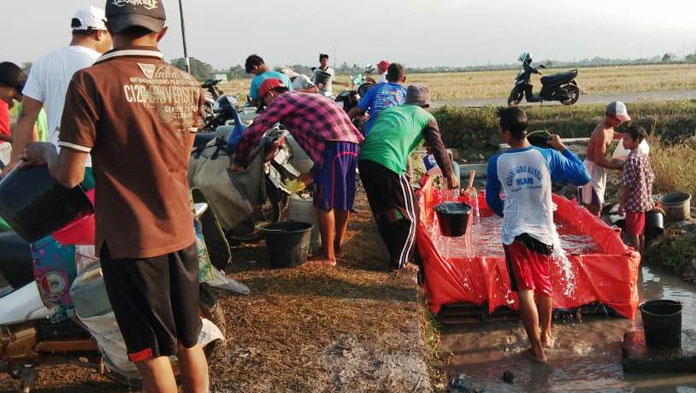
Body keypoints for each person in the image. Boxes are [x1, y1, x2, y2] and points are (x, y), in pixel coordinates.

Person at [20, 1, 209, 392]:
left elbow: (70, 177)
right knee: (189, 339)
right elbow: (179, 159)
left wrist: (46, 153)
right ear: (162, 31)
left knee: (148, 350)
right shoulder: (187, 84)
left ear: (110, 26)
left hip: (130, 239)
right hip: (180, 229)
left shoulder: (92, 81)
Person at [486, 107, 590, 362]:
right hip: (544, 231)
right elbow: (583, 176)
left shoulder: (497, 161)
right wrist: (563, 147)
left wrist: (509, 213)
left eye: (502, 129)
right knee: (544, 285)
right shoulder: (547, 155)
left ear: (508, 133)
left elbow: (491, 201)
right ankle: (547, 333)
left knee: (525, 290)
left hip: (515, 234)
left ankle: (537, 349)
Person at [231, 78, 364, 266]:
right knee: (342, 201)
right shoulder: (305, 97)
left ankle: (328, 256)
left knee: (323, 202)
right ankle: (337, 248)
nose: (267, 107)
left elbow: (257, 128)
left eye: (265, 102)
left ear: (270, 94)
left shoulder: (283, 100)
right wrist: (311, 173)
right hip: (350, 143)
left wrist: (239, 160)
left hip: (333, 144)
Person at [359, 85, 458, 270]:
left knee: (386, 212)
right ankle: (401, 263)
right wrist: (450, 174)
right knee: (411, 217)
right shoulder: (427, 118)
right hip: (388, 164)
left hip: (365, 161)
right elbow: (438, 149)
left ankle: (394, 256)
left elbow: (390, 135)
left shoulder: (390, 111)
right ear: (425, 105)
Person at [7, 6, 111, 173]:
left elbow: (26, 116)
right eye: (110, 35)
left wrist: (13, 161)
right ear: (99, 33)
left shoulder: (44, 62)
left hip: (57, 164)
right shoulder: (104, 64)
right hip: (97, 166)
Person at [581, 101, 631, 216]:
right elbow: (599, 160)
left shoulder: (609, 127)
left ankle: (593, 228)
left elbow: (612, 134)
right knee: (594, 205)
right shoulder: (601, 132)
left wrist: (624, 136)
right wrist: (619, 166)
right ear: (609, 116)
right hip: (592, 169)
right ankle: (592, 230)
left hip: (598, 169)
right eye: (618, 120)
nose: (620, 122)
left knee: (597, 202)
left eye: (621, 120)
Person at [0, 62, 48, 167]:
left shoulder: (26, 108)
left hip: (37, 165)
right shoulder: (33, 104)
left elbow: (34, 144)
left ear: (8, 87)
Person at [619, 125, 654, 254]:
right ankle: (641, 257)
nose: (623, 141)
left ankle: (635, 261)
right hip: (643, 201)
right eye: (624, 139)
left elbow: (627, 185)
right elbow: (650, 178)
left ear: (637, 141)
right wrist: (649, 197)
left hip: (633, 203)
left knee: (633, 233)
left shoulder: (630, 160)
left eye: (627, 139)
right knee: (640, 232)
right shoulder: (643, 156)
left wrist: (622, 204)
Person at [347, 63, 407, 136]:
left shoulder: (374, 89)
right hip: (398, 132)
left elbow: (357, 109)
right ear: (404, 79)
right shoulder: (406, 92)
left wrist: (344, 123)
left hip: (373, 134)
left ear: (387, 77)